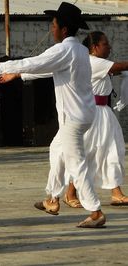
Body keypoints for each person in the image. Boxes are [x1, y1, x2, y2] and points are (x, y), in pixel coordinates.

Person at [0, 2, 106, 228]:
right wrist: (18, 75)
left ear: (64, 30)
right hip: (84, 115)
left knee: (76, 165)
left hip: (72, 119)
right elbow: (47, 68)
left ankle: (95, 212)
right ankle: (52, 199)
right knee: (57, 150)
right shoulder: (79, 50)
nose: (51, 29)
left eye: (53, 25)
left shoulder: (64, 49)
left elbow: (34, 62)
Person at [57, 31, 128, 207]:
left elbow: (117, 71)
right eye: (105, 44)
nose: (109, 47)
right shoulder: (92, 62)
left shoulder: (101, 64)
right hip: (92, 113)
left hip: (105, 113)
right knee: (85, 152)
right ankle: (70, 193)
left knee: (113, 150)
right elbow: (118, 67)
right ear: (94, 47)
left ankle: (116, 193)